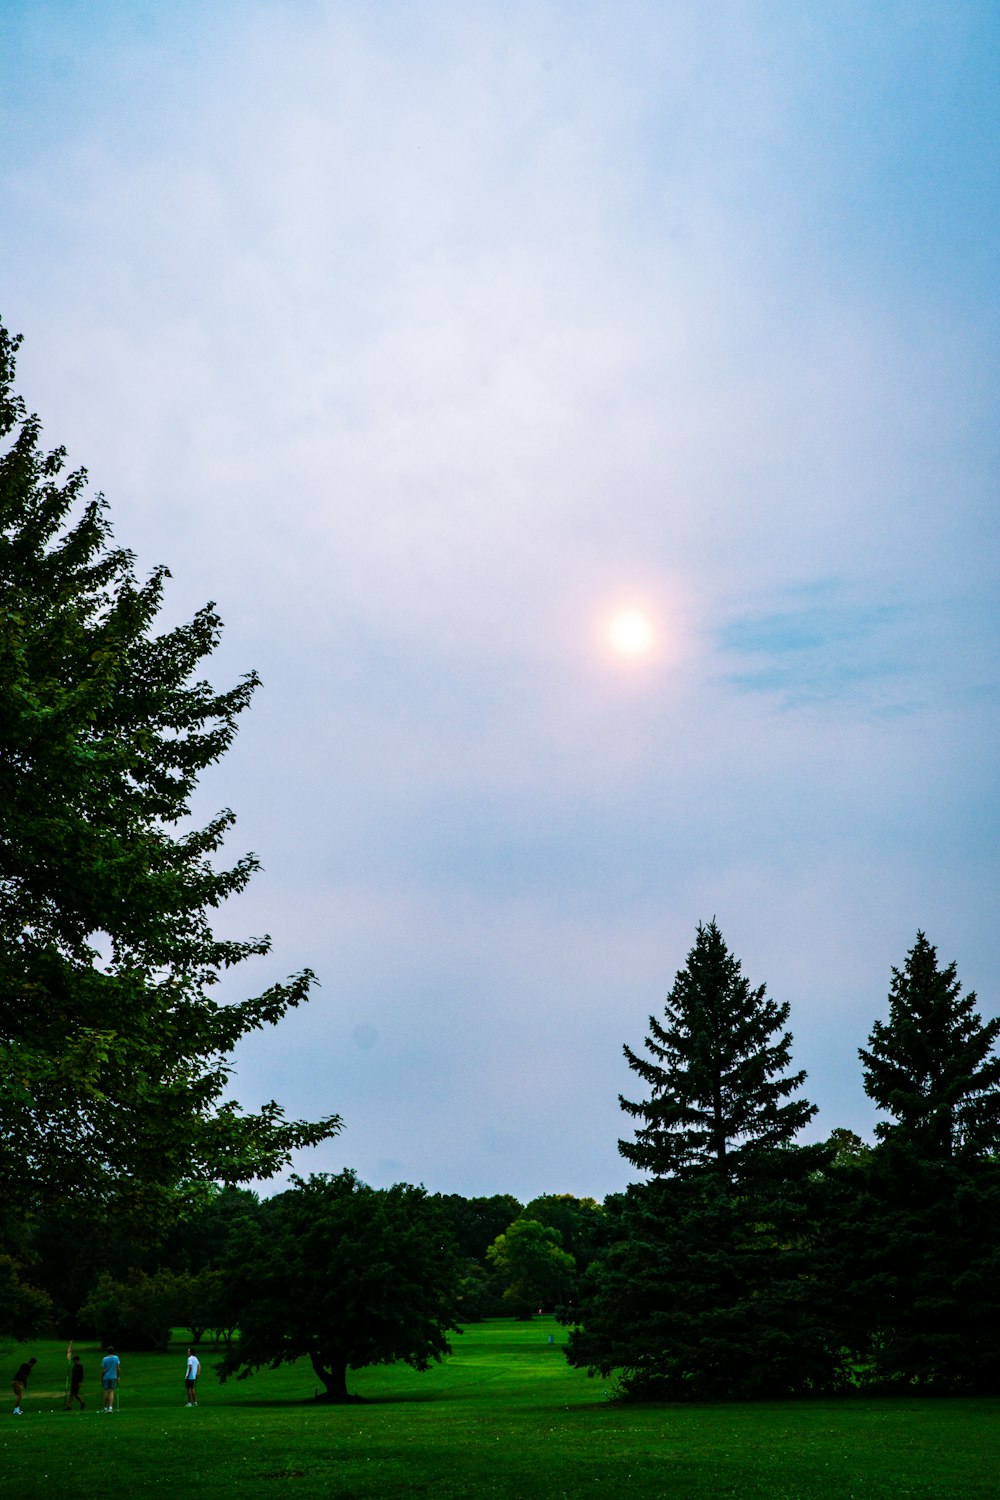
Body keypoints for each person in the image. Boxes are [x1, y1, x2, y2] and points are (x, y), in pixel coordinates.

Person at [100, 1346, 121, 1412]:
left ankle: (105, 1407)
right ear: (113, 1351)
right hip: (113, 1376)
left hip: (106, 1377)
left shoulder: (104, 1359)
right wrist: (118, 1376)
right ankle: (110, 1407)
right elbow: (118, 1368)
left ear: (107, 1352)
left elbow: (103, 1370)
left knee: (106, 1391)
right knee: (111, 1391)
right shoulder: (116, 1358)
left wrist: (101, 1377)